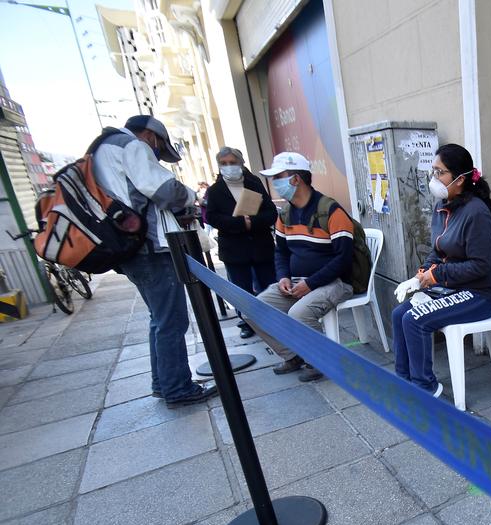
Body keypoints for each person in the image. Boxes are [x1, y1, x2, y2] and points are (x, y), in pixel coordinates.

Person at [92, 115, 218, 406]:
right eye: (159, 148)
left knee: (158, 320)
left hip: (129, 250)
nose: (156, 155)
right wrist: (189, 195)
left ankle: (163, 382)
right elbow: (163, 190)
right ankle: (177, 387)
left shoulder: (101, 149)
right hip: (151, 248)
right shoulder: (131, 146)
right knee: (172, 321)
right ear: (151, 135)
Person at [248, 151, 371, 382]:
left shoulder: (331, 211)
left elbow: (343, 260)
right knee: (253, 309)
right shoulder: (285, 214)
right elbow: (281, 252)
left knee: (299, 313)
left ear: (295, 179)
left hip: (336, 282)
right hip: (297, 282)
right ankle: (293, 355)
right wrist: (283, 277)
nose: (275, 183)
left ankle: (321, 361)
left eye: (279, 177)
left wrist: (310, 283)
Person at [391, 143, 491, 396]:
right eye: (433, 172)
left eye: (440, 172)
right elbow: (437, 251)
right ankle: (404, 380)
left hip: (478, 294)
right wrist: (421, 275)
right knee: (399, 314)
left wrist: (436, 275)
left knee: (415, 320)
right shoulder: (443, 207)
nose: (434, 178)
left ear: (460, 179)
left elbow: (480, 266)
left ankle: (426, 388)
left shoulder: (477, 213)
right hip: (450, 288)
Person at [204, 147, 278, 339]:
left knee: (270, 286)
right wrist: (239, 223)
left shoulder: (254, 184)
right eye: (224, 164)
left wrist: (251, 222)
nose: (229, 167)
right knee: (240, 290)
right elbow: (211, 217)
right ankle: (248, 322)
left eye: (232, 162)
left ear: (241, 163)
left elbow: (270, 212)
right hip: (234, 249)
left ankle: (274, 322)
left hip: (261, 245)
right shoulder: (215, 190)